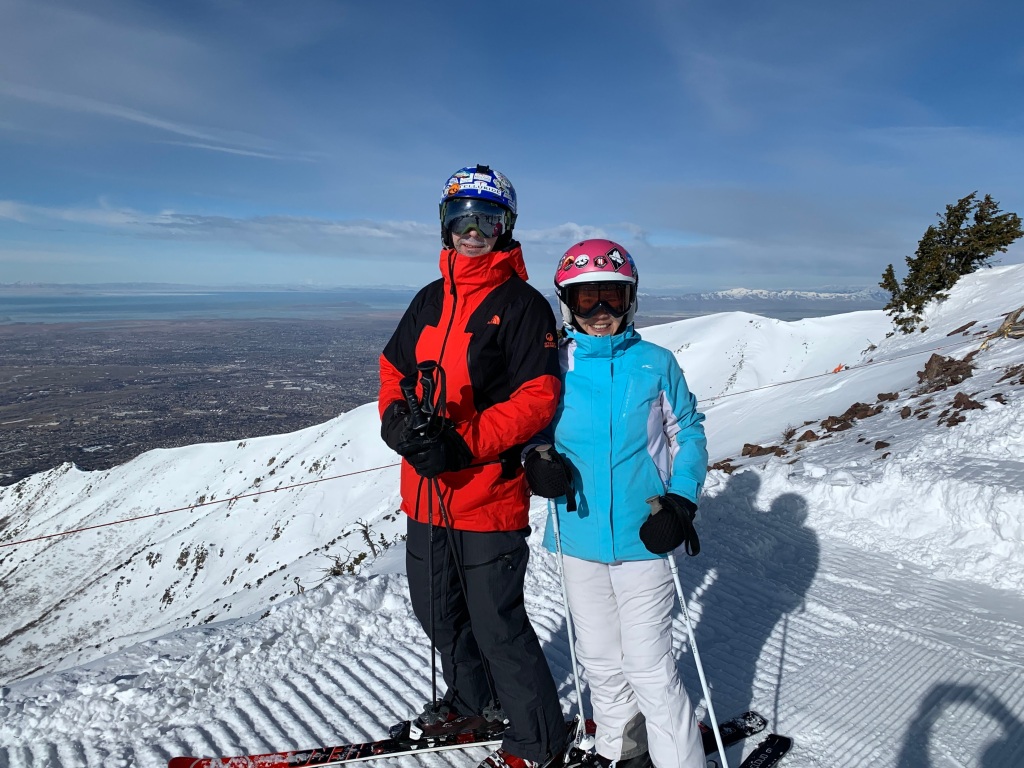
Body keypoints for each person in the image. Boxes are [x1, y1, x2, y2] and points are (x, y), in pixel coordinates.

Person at [378, 165, 567, 768]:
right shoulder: (430, 299)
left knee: (498, 628)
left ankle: (538, 744)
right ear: (446, 225)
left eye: (488, 219)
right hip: (427, 494)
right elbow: (394, 373)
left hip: (488, 494)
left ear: (506, 226)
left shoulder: (522, 305)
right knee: (438, 613)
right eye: (463, 219)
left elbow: (538, 396)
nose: (474, 231)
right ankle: (473, 701)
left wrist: (462, 444)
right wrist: (398, 425)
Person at [523, 239, 708, 768]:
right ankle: (619, 752)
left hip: (644, 533)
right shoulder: (553, 363)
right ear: (567, 302)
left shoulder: (654, 364)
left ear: (630, 299)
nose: (601, 311)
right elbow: (531, 429)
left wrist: (681, 502)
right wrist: (537, 459)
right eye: (587, 299)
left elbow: (688, 434)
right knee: (600, 661)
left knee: (649, 667)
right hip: (578, 533)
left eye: (612, 296)